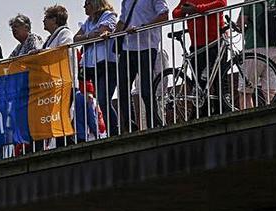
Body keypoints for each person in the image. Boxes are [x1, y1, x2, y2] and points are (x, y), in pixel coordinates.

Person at [114, 0, 169, 131]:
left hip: (147, 46)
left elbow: (164, 15)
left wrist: (143, 26)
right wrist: (113, 33)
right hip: (127, 47)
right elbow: (122, 21)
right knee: (122, 88)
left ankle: (153, 123)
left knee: (146, 89)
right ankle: (130, 125)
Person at [238, 0, 276, 108]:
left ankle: (250, 121)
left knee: (245, 92)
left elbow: (240, 23)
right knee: (272, 94)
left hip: (253, 49)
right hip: (274, 51)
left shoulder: (250, 1)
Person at [76, 0, 119, 133]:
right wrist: (90, 36)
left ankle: (114, 129)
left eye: (87, 3)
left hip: (107, 62)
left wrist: (87, 37)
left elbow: (102, 31)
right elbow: (75, 38)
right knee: (102, 100)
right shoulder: (88, 22)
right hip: (93, 65)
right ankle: (112, 130)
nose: (85, 7)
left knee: (104, 98)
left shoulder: (108, 15)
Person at [173, 0, 227, 105]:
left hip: (215, 42)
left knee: (219, 79)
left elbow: (221, 3)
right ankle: (200, 112)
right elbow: (175, 13)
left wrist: (197, 9)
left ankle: (222, 110)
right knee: (198, 82)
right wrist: (183, 11)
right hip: (196, 45)